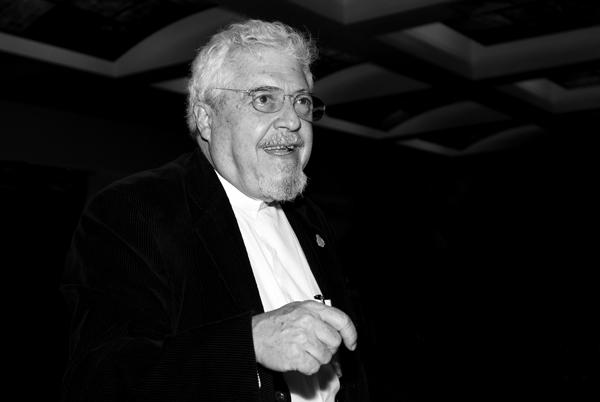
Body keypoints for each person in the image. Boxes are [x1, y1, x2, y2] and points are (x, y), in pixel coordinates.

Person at [61, 19, 370, 402]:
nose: (293, 121)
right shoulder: (135, 211)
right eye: (264, 99)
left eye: (301, 101)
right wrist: (249, 345)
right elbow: (99, 378)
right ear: (207, 119)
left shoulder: (309, 218)